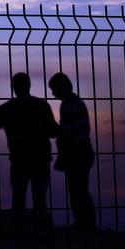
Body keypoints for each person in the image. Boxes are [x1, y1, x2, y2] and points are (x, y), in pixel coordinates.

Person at [0, 73, 59, 218]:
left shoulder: (7, 108)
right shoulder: (42, 105)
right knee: (40, 200)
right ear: (29, 85)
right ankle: (42, 233)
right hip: (40, 157)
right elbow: (53, 131)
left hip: (19, 159)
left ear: (13, 87)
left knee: (18, 198)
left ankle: (20, 231)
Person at [48, 73, 97, 232]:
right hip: (76, 151)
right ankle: (84, 223)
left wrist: (61, 130)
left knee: (79, 190)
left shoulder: (73, 104)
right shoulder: (68, 103)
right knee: (77, 190)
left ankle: (85, 224)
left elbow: (81, 128)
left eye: (54, 89)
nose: (53, 93)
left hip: (78, 152)